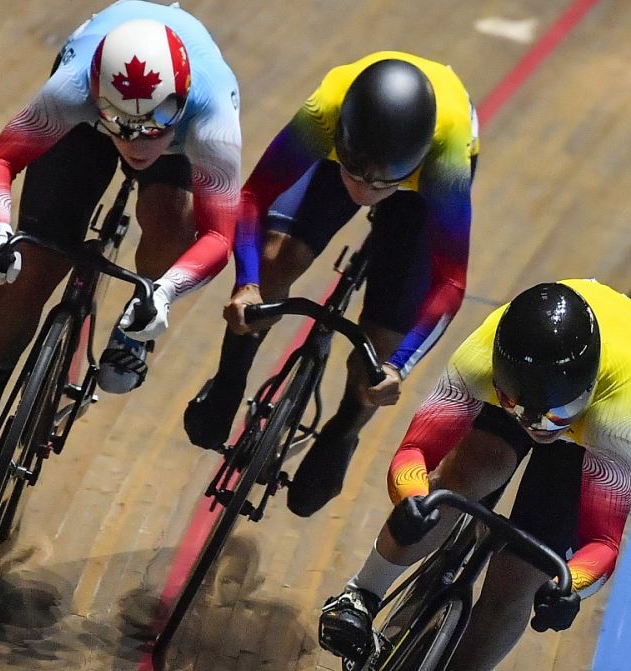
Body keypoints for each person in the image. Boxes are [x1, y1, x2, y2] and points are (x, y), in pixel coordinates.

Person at [320, 279, 631, 671]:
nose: (538, 425)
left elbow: (603, 541)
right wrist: (414, 500)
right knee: (469, 474)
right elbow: (415, 454)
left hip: (591, 419)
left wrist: (571, 587)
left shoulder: (613, 410)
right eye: (522, 409)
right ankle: (360, 594)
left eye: (556, 415)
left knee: (519, 578)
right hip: (526, 389)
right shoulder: (483, 356)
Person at [0, 0, 241, 502]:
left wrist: (164, 293)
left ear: (182, 103)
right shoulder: (73, 88)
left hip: (166, 136)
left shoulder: (212, 115)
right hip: (87, 123)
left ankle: (135, 334)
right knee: (32, 269)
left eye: (154, 125)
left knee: (169, 222)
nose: (138, 142)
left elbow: (218, 236)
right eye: (123, 125)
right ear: (96, 98)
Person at [182, 52, 477, 517]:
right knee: (279, 258)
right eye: (356, 176)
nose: (365, 190)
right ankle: (229, 379)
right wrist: (248, 284)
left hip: (417, 190)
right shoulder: (327, 112)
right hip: (358, 154)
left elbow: (451, 283)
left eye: (381, 185)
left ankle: (343, 431)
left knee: (376, 356)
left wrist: (397, 367)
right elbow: (254, 195)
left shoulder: (446, 161)